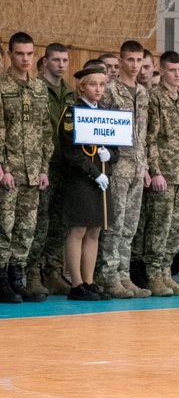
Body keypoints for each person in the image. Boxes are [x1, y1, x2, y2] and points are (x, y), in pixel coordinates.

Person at [0, 32, 54, 303]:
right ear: (10, 54)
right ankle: (1, 279)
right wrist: (2, 166)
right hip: (8, 171)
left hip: (33, 171)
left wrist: (44, 168)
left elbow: (45, 131)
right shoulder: (1, 86)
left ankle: (16, 276)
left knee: (25, 228)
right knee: (4, 225)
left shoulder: (39, 88)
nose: (25, 59)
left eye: (30, 54)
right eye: (20, 53)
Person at [60, 66, 120, 301]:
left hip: (102, 180)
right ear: (82, 86)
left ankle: (89, 280)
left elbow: (116, 148)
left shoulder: (106, 113)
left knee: (94, 229)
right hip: (81, 179)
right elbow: (71, 152)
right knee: (78, 229)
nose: (98, 89)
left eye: (102, 85)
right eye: (94, 84)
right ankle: (76, 283)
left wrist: (110, 158)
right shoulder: (71, 112)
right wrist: (95, 173)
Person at [100, 41, 152, 299]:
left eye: (138, 60)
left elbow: (144, 134)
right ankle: (110, 278)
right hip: (117, 167)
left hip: (137, 167)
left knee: (130, 226)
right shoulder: (109, 91)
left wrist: (145, 166)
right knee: (115, 224)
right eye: (130, 60)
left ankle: (124, 275)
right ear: (120, 61)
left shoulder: (143, 93)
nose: (135, 65)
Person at [142, 51, 179, 297]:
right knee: (159, 226)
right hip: (163, 174)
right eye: (172, 70)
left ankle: (166, 273)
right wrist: (155, 171)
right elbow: (150, 138)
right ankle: (154, 275)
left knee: (175, 228)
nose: (177, 75)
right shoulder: (154, 98)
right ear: (161, 71)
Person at [28, 43, 75, 297]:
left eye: (65, 60)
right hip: (41, 165)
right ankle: (32, 272)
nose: (61, 65)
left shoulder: (70, 93)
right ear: (45, 62)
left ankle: (53, 271)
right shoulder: (36, 89)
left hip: (65, 164)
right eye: (56, 60)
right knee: (39, 221)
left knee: (59, 221)